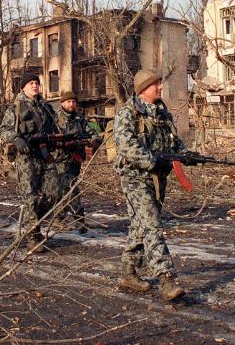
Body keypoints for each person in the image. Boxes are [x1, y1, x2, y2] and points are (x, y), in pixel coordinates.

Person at [112, 69, 187, 301]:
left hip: (157, 178)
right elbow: (125, 145)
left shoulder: (162, 114)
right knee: (152, 225)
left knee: (140, 224)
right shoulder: (128, 112)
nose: (160, 87)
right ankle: (166, 278)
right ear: (143, 88)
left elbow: (174, 141)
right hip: (134, 177)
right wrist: (151, 161)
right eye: (156, 84)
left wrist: (184, 155)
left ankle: (128, 273)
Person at [0, 74, 61, 254]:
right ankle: (33, 235)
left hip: (44, 155)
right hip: (26, 158)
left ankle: (34, 222)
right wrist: (16, 139)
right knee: (30, 197)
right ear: (23, 88)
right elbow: (4, 131)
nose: (35, 86)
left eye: (37, 83)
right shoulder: (16, 108)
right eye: (31, 83)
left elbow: (56, 129)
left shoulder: (46, 107)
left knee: (55, 193)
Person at [54, 91, 101, 233]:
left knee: (67, 190)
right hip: (60, 160)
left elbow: (92, 132)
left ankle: (60, 219)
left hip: (75, 160)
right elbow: (50, 139)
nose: (72, 104)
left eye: (74, 102)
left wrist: (95, 140)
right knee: (69, 190)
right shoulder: (56, 119)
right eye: (68, 102)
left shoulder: (79, 119)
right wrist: (64, 144)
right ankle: (79, 221)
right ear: (62, 103)